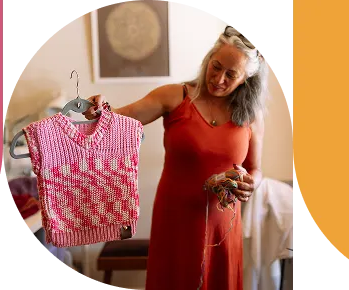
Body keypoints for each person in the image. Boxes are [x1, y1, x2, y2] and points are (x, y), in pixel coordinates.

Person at [83, 25, 269, 290]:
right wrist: (99, 110)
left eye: (231, 74)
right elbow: (119, 119)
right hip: (176, 218)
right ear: (208, 59)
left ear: (245, 79)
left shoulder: (251, 116)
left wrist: (252, 183)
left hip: (223, 226)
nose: (219, 79)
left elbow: (255, 169)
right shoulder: (175, 96)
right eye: (215, 67)